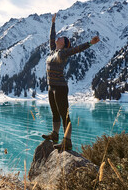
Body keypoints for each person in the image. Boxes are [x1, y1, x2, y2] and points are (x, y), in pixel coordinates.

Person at [42, 13, 100, 151]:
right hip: (51, 87)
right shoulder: (53, 51)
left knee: (64, 115)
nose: (58, 38)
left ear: (64, 44)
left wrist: (90, 43)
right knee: (55, 113)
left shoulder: (63, 53)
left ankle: (67, 141)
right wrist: (53, 23)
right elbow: (51, 37)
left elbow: (76, 49)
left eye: (61, 38)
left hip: (60, 87)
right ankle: (55, 135)